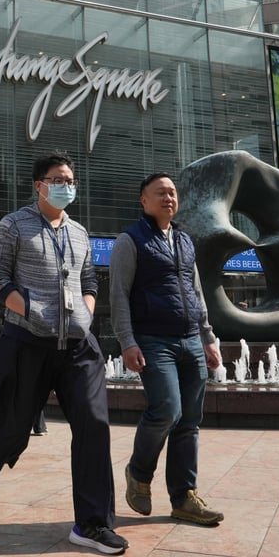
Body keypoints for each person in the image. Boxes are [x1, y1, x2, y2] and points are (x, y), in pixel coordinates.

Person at [0, 150, 128, 556]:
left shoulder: (79, 231)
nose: (67, 187)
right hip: (27, 342)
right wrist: (35, 312)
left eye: (72, 181)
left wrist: (87, 315)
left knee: (94, 425)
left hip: (78, 346)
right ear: (39, 185)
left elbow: (90, 279)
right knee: (13, 429)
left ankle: (92, 524)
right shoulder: (14, 225)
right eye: (59, 180)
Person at [109, 172, 224, 527]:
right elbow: (118, 296)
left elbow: (197, 294)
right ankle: (139, 473)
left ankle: (184, 497)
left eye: (172, 193)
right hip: (154, 340)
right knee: (166, 410)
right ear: (144, 201)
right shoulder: (131, 240)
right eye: (160, 193)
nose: (168, 198)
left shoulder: (185, 242)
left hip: (191, 338)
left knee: (189, 422)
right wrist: (127, 342)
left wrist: (208, 338)